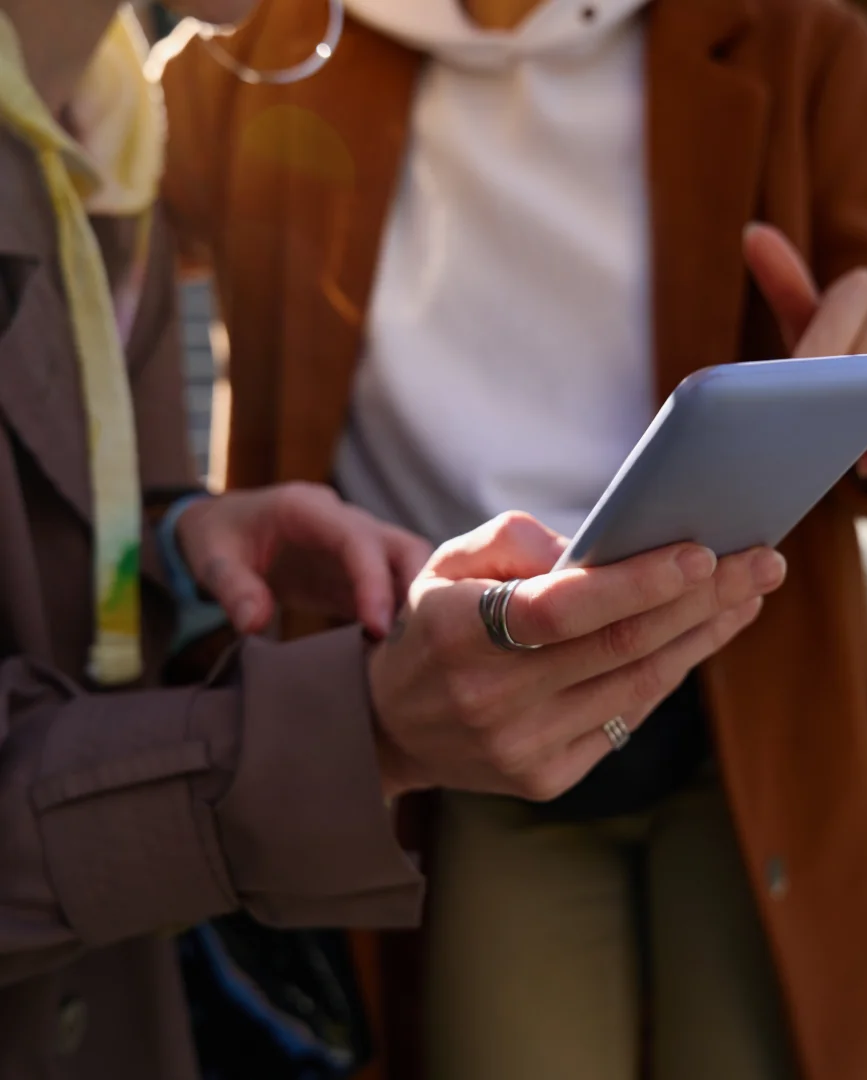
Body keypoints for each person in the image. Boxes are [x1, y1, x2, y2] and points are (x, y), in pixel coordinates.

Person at [157, 1, 867, 1078]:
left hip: (745, 710)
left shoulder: (791, 37)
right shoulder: (258, 55)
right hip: (464, 728)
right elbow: (85, 220)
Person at [0, 2, 785, 1078]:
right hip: (445, 753)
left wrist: (178, 543)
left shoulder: (111, 112)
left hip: (733, 721)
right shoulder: (223, 81)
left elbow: (65, 515)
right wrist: (363, 735)